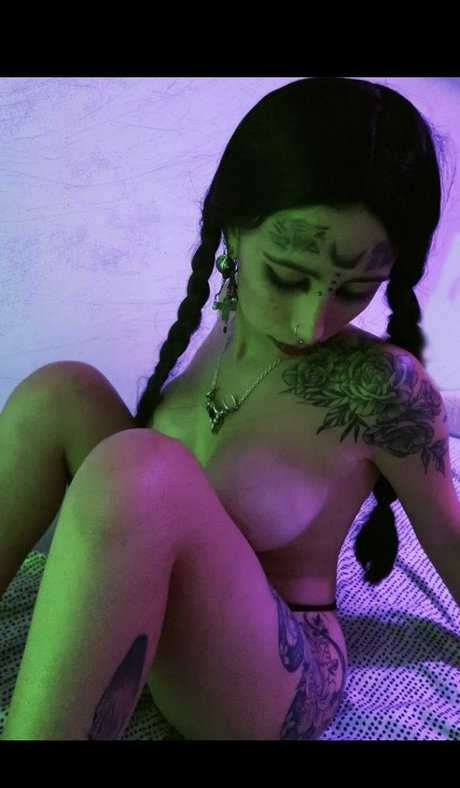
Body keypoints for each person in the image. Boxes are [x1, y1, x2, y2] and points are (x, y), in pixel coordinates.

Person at [1, 77, 459, 741]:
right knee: (60, 391)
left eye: (356, 290)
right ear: (233, 230)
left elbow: (450, 541)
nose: (309, 324)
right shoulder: (223, 327)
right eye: (288, 277)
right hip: (163, 610)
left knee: (141, 465)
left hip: (280, 670)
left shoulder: (384, 389)